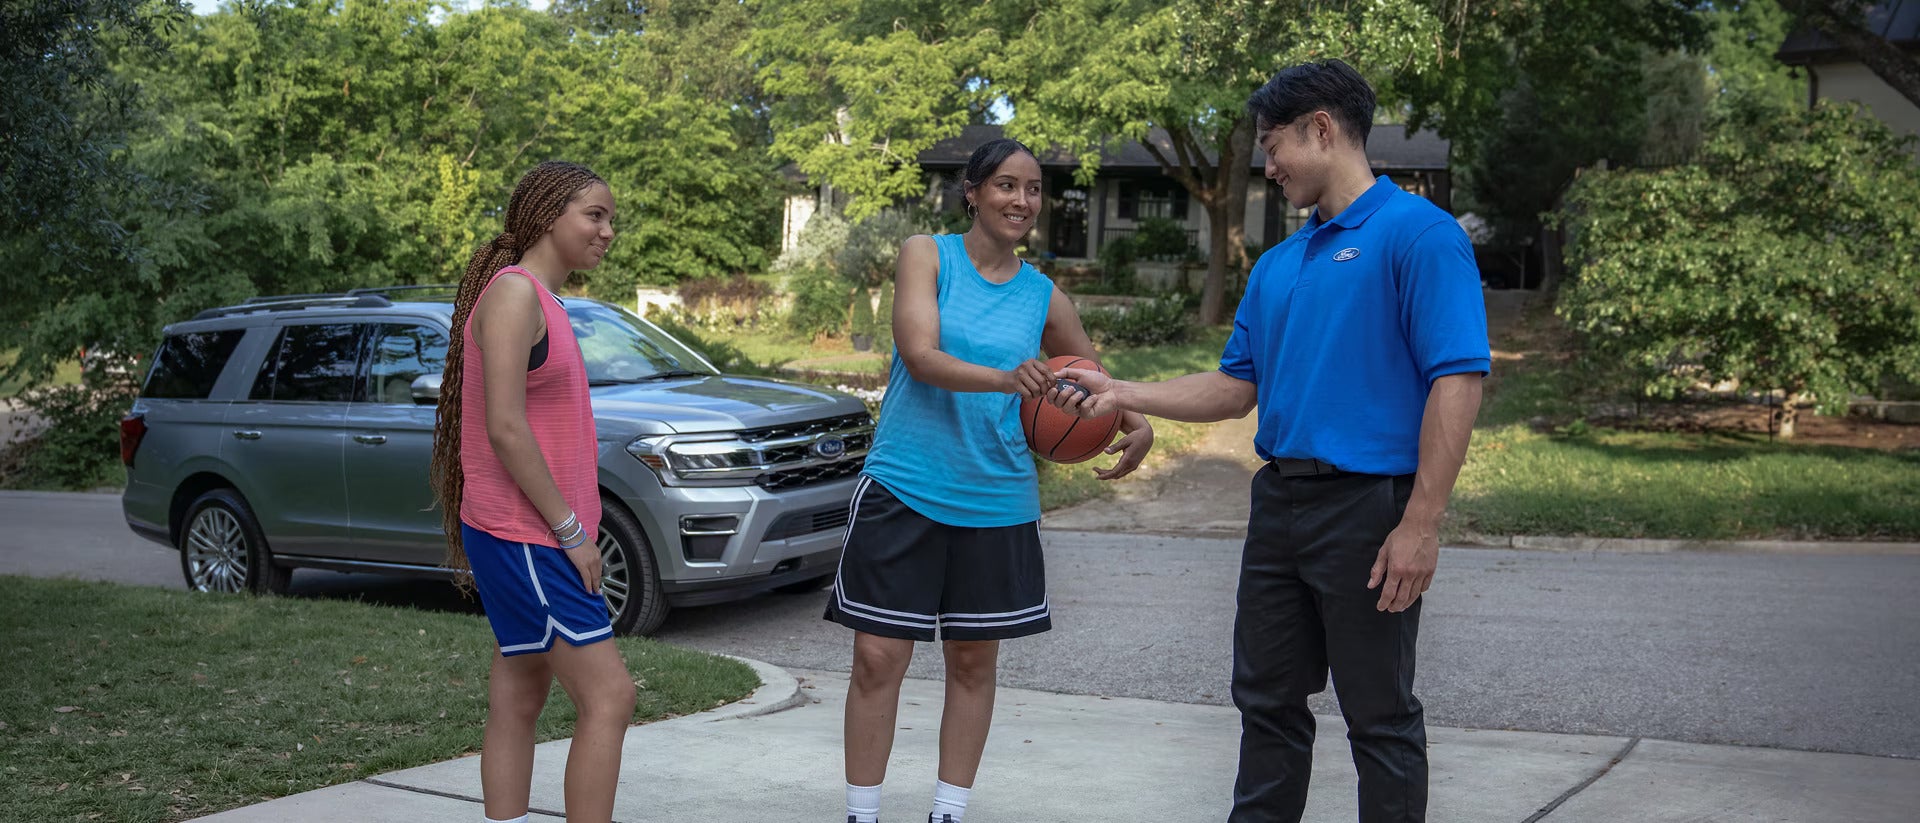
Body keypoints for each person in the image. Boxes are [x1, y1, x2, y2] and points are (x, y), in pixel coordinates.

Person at [1051, 61, 1489, 823]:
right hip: (1280, 502)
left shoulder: (1420, 234)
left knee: (1379, 714)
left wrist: (1421, 522)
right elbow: (1236, 385)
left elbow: (1457, 379)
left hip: (1369, 507)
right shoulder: (1282, 263)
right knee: (1266, 703)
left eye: (1272, 143)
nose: (1268, 164)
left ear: (1322, 128)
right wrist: (1122, 393)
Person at [825, 137, 1156, 823]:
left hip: (996, 498)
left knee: (973, 664)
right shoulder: (928, 254)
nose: (1022, 200)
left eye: (1033, 189)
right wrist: (1011, 377)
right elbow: (920, 354)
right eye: (1006, 185)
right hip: (906, 485)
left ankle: (948, 812)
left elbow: (1097, 385)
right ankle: (862, 813)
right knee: (878, 660)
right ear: (973, 192)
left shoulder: (1044, 295)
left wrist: (1134, 420)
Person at [429, 161, 635, 823]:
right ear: (549, 215)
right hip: (526, 534)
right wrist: (572, 532)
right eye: (594, 215)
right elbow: (506, 427)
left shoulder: (543, 299)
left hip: (528, 532)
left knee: (519, 697)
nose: (608, 232)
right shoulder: (515, 294)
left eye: (611, 219)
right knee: (611, 696)